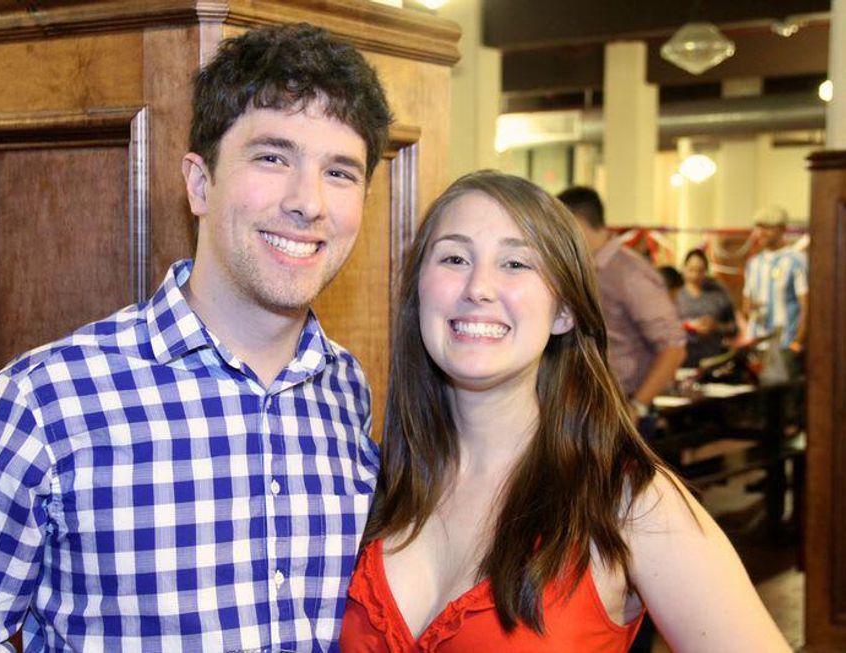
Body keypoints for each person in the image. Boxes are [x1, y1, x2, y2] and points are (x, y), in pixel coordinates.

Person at [0, 23, 392, 652]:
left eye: (340, 172)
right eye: (272, 156)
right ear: (199, 183)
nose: (307, 202)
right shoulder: (45, 401)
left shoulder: (346, 392)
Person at [339, 171, 790, 652]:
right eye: (454, 258)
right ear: (418, 293)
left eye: (515, 263)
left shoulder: (627, 499)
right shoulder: (372, 481)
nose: (479, 287)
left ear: (564, 311)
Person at [556, 187, 686, 429]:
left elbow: (673, 347)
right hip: (581, 404)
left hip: (621, 408)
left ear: (577, 222)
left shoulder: (629, 273)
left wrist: (636, 406)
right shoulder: (584, 269)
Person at [742, 206, 808, 357]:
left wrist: (797, 343)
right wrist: (751, 308)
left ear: (782, 229)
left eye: (768, 228)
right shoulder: (753, 264)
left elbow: (806, 306)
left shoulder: (796, 260)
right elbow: (746, 306)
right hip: (757, 344)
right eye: (759, 227)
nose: (761, 233)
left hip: (785, 345)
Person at [676, 248, 737, 368]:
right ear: (684, 268)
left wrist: (716, 326)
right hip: (682, 359)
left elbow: (733, 327)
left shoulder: (718, 293)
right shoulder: (676, 293)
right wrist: (688, 327)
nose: (695, 275)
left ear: (706, 271)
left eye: (700, 270)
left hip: (712, 360)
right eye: (691, 270)